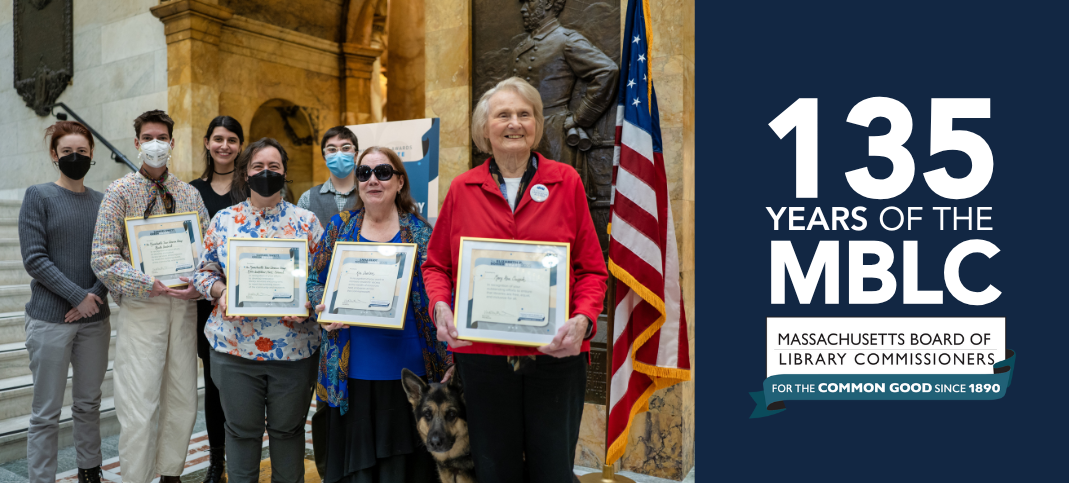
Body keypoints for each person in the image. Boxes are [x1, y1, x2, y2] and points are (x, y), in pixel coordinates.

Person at [422, 77, 608, 482]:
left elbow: (591, 270)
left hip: (555, 356)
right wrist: (441, 307)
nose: (515, 123)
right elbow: (436, 265)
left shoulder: (566, 182)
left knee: (553, 471)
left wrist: (583, 320)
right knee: (494, 469)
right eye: (503, 114)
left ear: (537, 125)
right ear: (484, 128)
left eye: (525, 114)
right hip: (484, 359)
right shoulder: (462, 189)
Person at [308, 146, 451, 483]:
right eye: (364, 173)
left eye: (383, 172)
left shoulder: (420, 232)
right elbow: (315, 280)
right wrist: (322, 308)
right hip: (351, 369)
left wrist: (449, 358)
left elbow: (438, 293)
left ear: (400, 181)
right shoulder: (339, 227)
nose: (373, 179)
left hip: (407, 369)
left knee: (402, 470)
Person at [194, 138, 323, 483]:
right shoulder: (224, 221)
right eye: (258, 167)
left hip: (294, 350)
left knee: (288, 432)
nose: (266, 173)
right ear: (245, 173)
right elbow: (203, 273)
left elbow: (323, 280)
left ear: (285, 172)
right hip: (234, 349)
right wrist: (221, 292)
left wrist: (309, 302)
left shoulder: (307, 223)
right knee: (241, 433)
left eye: (274, 167)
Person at [91, 110, 209, 483]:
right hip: (142, 306)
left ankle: (172, 473)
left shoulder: (189, 194)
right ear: (138, 142)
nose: (155, 144)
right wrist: (147, 283)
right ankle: (137, 477)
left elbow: (209, 249)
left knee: (182, 397)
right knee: (139, 403)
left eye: (162, 137)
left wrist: (200, 282)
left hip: (183, 307)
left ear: (172, 144)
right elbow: (103, 256)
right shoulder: (119, 192)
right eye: (148, 137)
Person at [20, 121, 110, 483]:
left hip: (94, 323)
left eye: (82, 152)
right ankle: (41, 478)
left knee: (89, 404)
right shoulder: (38, 196)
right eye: (68, 152)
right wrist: (78, 296)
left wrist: (96, 296)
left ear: (92, 156)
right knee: (46, 412)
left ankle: (90, 471)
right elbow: (35, 258)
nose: (75, 157)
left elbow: (112, 255)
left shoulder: (103, 201)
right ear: (54, 155)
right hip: (49, 321)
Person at [188, 115, 245, 483]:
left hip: (249, 304)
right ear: (207, 142)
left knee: (243, 386)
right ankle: (216, 462)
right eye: (218, 139)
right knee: (213, 385)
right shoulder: (191, 190)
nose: (224, 146)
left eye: (232, 140)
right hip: (204, 305)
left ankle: (244, 457)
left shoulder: (252, 187)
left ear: (241, 145)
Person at [297, 126, 360, 228]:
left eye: (346, 148)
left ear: (356, 155)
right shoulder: (307, 199)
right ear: (325, 158)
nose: (339, 154)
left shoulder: (370, 193)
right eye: (332, 149)